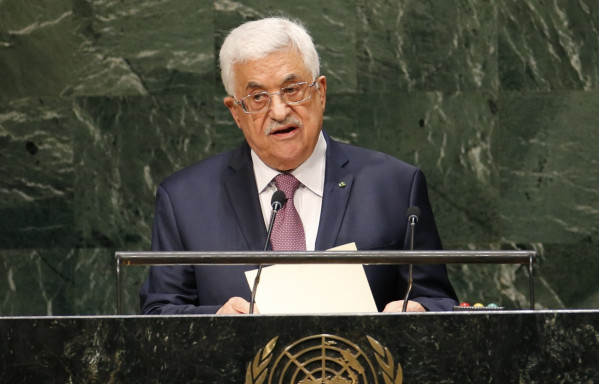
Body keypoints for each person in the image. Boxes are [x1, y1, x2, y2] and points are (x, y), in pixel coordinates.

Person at [140, 16, 458, 315]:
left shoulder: (395, 186)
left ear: (320, 92)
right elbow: (158, 314)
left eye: (292, 89)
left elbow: (438, 300)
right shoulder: (184, 201)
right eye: (258, 98)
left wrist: (421, 310)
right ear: (235, 112)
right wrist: (219, 320)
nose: (279, 111)